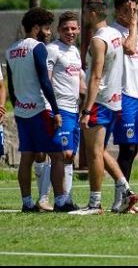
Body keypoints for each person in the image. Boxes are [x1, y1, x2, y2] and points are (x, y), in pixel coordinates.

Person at [5, 8, 73, 213]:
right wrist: (56, 110)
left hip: (21, 112)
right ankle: (61, 201)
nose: (49, 32)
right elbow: (45, 81)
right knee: (57, 155)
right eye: (46, 27)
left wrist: (19, 105)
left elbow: (11, 88)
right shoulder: (37, 48)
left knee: (27, 156)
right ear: (36, 28)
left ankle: (27, 203)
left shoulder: (10, 51)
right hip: (40, 111)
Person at [77, 0, 138, 215]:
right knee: (101, 151)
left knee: (93, 152)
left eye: (85, 12)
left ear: (93, 13)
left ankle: (95, 204)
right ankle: (126, 189)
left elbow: (95, 76)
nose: (83, 16)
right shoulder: (115, 34)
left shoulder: (98, 39)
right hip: (114, 102)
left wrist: (86, 109)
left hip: (99, 101)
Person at [111, 0, 138, 214]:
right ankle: (120, 201)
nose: (132, 14)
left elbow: (137, 68)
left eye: (135, 10)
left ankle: (124, 198)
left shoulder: (133, 34)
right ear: (118, 12)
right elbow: (128, 48)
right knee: (127, 148)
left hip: (134, 96)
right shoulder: (115, 33)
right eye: (128, 10)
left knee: (133, 148)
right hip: (122, 95)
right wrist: (134, 27)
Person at [46, 12, 86, 209]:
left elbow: (79, 82)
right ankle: (57, 199)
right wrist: (51, 110)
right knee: (61, 153)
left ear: (78, 29)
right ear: (58, 30)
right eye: (65, 29)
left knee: (70, 156)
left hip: (74, 109)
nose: (70, 32)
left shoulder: (75, 51)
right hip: (60, 109)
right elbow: (46, 80)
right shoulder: (52, 49)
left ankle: (66, 198)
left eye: (73, 28)